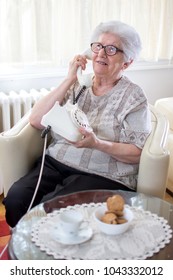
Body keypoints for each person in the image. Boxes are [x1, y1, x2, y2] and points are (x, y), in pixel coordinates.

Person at [3, 20, 151, 227]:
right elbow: (36, 120)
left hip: (103, 174)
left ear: (127, 63)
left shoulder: (134, 97)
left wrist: (97, 144)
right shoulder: (79, 85)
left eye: (111, 49)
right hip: (58, 162)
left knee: (51, 211)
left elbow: (136, 152)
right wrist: (69, 78)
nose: (101, 54)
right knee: (16, 200)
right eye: (98, 46)